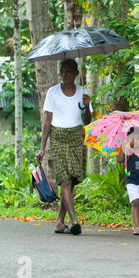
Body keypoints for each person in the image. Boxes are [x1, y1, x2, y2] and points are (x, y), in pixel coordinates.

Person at [36, 59, 93, 235]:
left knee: (72, 181)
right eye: (62, 71)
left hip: (76, 137)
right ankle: (75, 221)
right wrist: (42, 148)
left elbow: (87, 121)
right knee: (65, 181)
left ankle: (60, 222)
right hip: (58, 137)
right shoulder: (53, 92)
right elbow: (47, 121)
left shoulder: (83, 92)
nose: (64, 74)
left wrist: (87, 106)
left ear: (76, 73)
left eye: (68, 71)